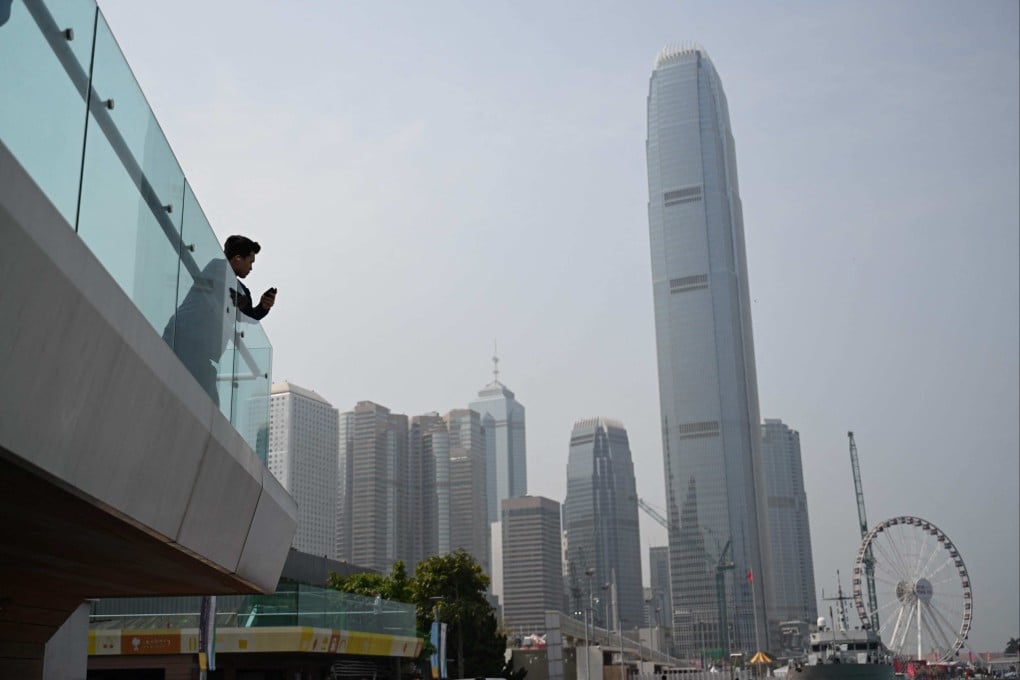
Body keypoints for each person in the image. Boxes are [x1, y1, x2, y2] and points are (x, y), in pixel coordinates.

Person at [163, 235, 276, 403]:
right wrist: (246, 303)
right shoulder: (217, 268)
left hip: (197, 351)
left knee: (205, 403)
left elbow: (248, 315)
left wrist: (263, 307)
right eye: (250, 262)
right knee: (206, 403)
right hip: (182, 339)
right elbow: (233, 296)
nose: (251, 267)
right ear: (237, 259)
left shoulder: (237, 287)